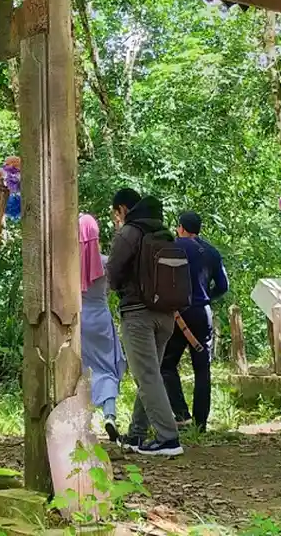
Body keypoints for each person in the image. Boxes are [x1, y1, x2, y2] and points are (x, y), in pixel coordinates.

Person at [107, 188, 183, 457]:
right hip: (166, 315)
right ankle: (137, 435)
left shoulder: (129, 233)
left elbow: (113, 274)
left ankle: (168, 438)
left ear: (123, 210)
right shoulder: (163, 233)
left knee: (146, 376)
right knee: (149, 375)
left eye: (116, 213)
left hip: (138, 315)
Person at [161, 211, 228, 432]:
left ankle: (181, 415)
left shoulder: (172, 247)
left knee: (167, 365)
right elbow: (223, 286)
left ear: (180, 227)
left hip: (178, 313)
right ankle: (201, 423)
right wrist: (205, 295)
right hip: (202, 312)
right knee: (202, 368)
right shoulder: (211, 251)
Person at [78, 213, 127, 443]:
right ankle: (109, 415)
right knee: (107, 368)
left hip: (79, 320)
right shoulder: (105, 263)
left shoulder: (69, 264)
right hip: (101, 318)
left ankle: (82, 421)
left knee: (83, 369)